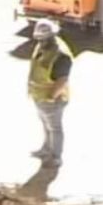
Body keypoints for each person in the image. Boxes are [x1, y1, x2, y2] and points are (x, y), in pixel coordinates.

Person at [27, 19, 75, 165]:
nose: (39, 41)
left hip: (52, 99)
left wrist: (51, 97)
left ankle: (56, 157)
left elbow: (62, 80)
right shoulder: (43, 46)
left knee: (55, 129)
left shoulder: (60, 55)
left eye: (42, 39)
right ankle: (46, 149)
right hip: (39, 97)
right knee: (46, 126)